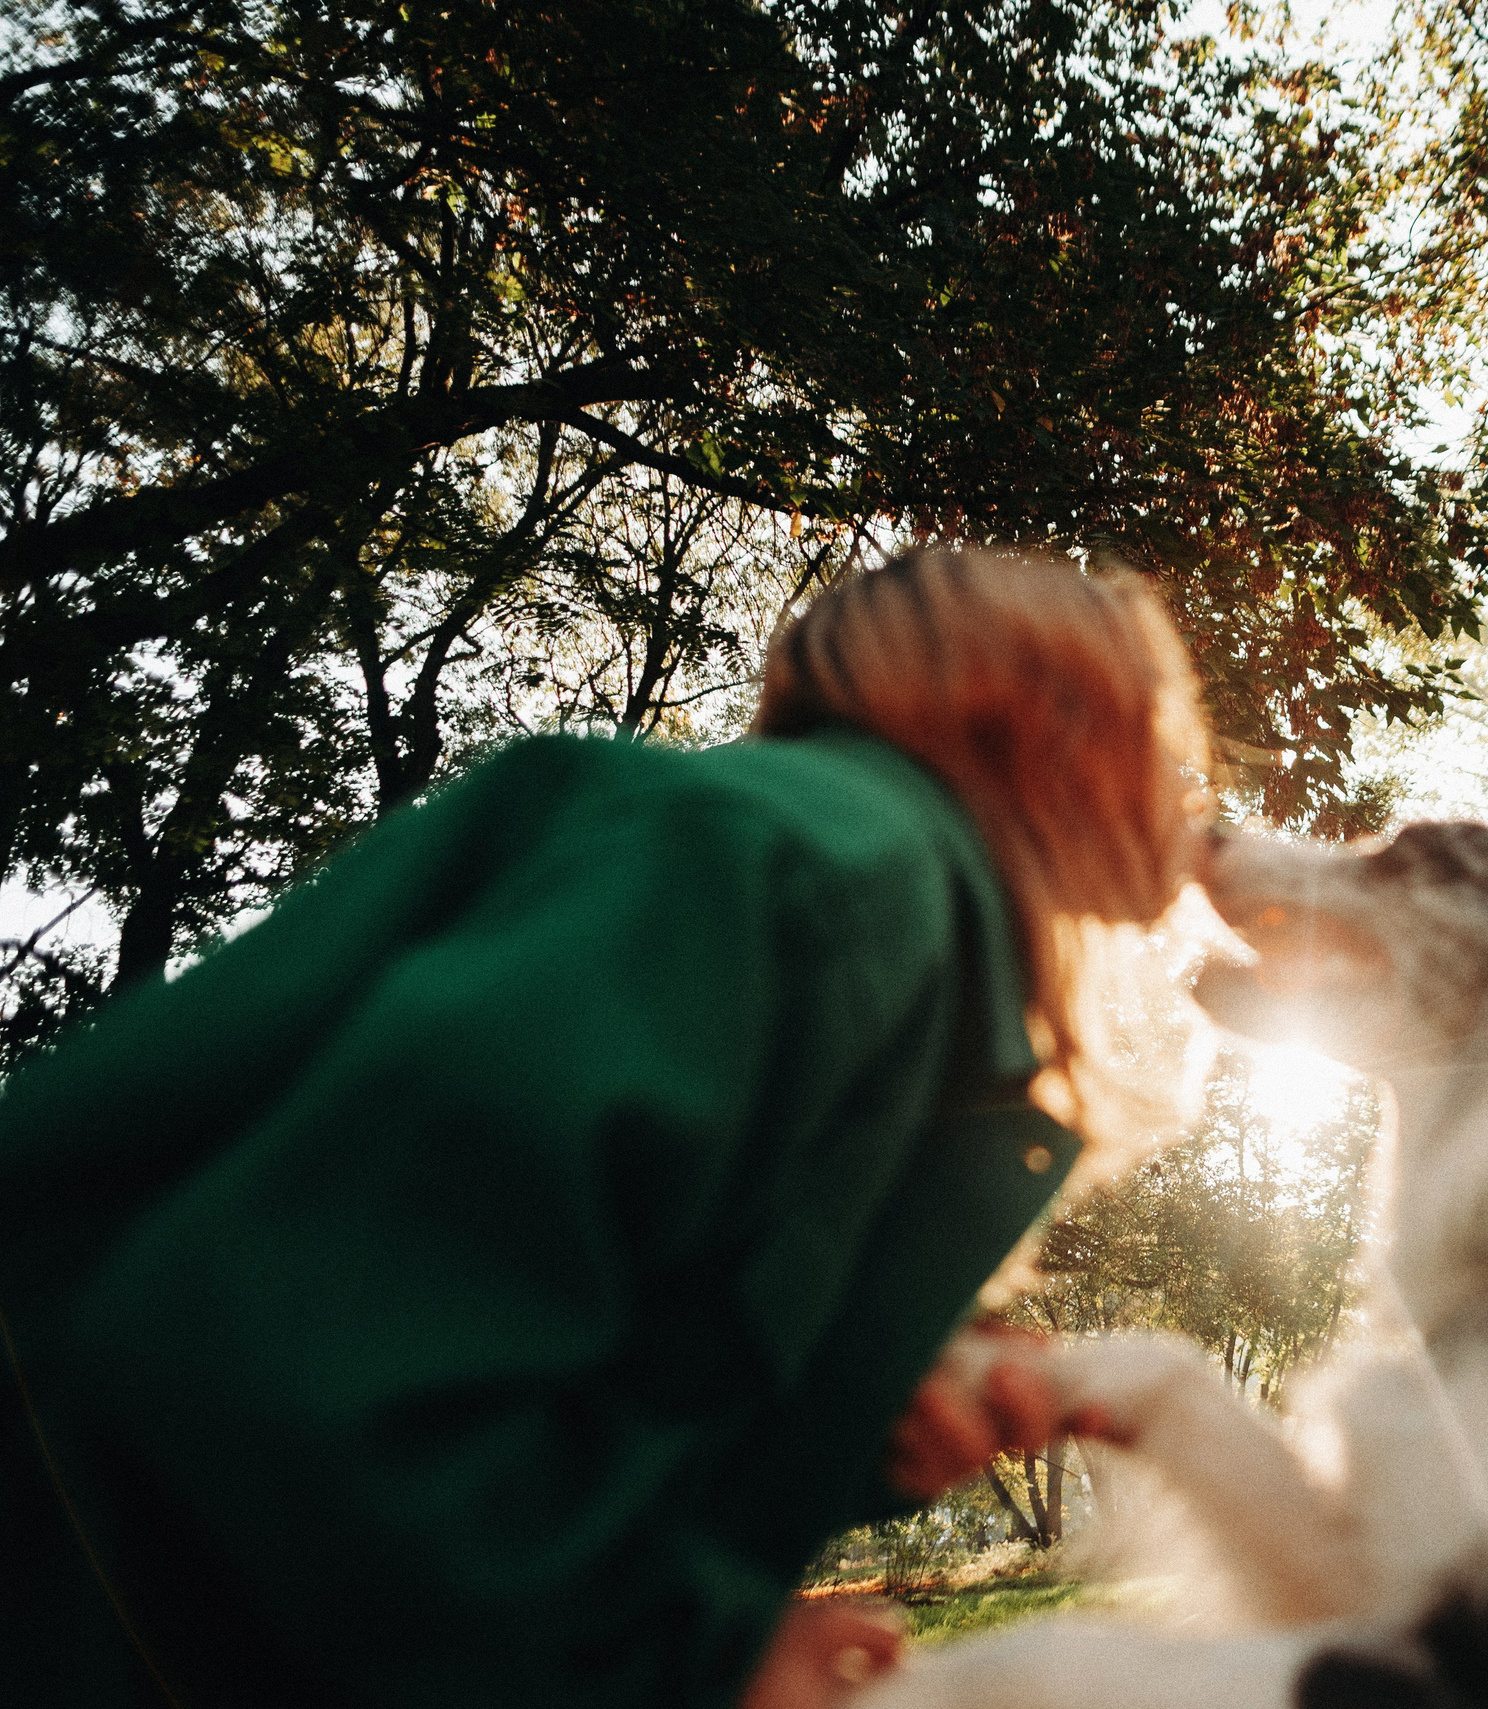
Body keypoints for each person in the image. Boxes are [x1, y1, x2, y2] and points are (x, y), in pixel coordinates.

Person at [0, 545, 1212, 1709]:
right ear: (1058, 717)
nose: (1193, 786)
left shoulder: (888, 946)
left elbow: (569, 1376)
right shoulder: (817, 874)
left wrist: (872, 1436)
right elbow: (299, 1346)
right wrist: (697, 1665)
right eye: (1171, 729)